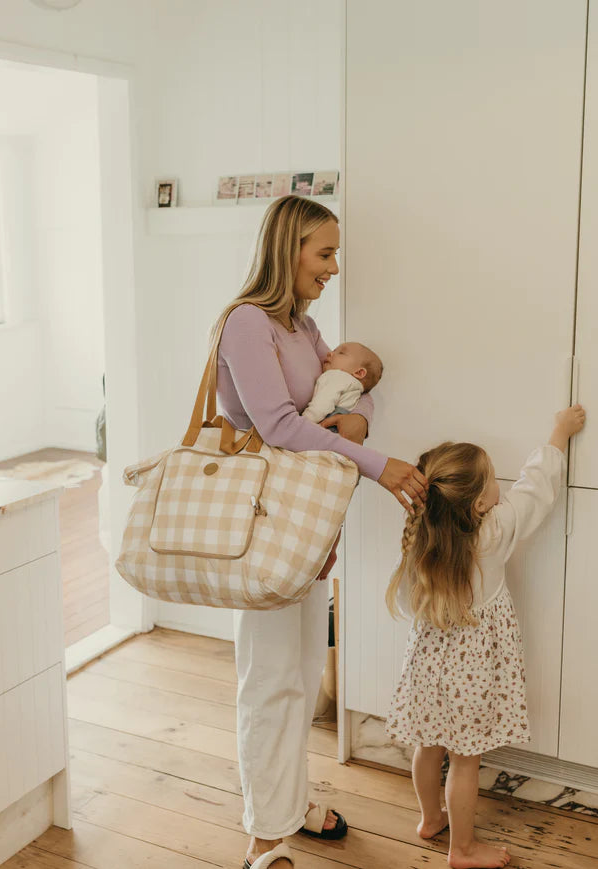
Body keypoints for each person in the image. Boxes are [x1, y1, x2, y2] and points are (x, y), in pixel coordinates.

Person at [213, 194, 428, 869]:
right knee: (270, 680)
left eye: (335, 253)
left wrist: (359, 415)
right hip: (268, 527)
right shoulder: (247, 323)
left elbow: (347, 382)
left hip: (304, 529)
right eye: (324, 252)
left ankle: (288, 801)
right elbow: (277, 425)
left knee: (302, 677)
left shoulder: (301, 328)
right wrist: (376, 463)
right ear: (288, 250)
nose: (333, 267)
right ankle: (263, 836)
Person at [384, 404, 586, 869]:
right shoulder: (494, 531)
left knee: (427, 746)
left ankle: (430, 819)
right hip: (471, 675)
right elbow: (537, 489)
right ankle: (462, 849)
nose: (503, 485)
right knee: (466, 761)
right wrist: (560, 430)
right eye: (495, 478)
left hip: (427, 669)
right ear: (478, 504)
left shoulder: (422, 537)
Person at [301, 341, 383, 425]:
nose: (329, 353)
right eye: (333, 350)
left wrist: (303, 422)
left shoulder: (337, 376)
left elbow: (321, 406)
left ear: (359, 372)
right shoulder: (355, 388)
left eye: (341, 353)